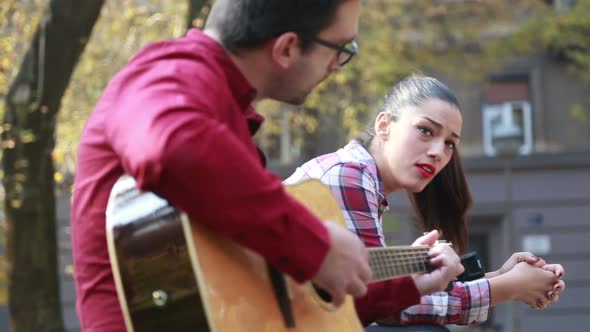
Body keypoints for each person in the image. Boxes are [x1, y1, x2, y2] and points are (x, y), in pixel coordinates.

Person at [71, 1, 376, 331]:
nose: (338, 64)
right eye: (340, 48)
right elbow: (172, 148)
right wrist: (314, 244)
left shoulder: (220, 100)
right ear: (287, 48)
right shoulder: (165, 74)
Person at [284, 75, 566, 329]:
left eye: (450, 143)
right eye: (426, 130)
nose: (438, 152)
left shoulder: (361, 179)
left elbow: (384, 296)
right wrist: (507, 287)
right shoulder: (347, 175)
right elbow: (383, 305)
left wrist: (499, 277)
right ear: (384, 125)